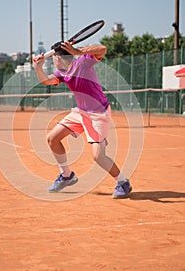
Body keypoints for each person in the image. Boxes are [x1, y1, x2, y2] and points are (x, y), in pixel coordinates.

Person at [33, 41, 132, 199]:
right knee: (52, 138)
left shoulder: (83, 62)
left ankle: (122, 182)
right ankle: (66, 176)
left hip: (98, 114)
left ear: (59, 58)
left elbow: (103, 49)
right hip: (80, 113)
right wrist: (38, 67)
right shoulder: (62, 74)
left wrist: (77, 51)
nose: (53, 63)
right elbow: (46, 81)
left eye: (53, 59)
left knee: (98, 157)